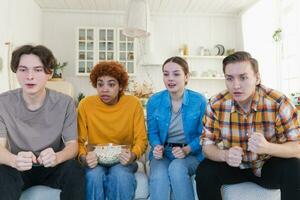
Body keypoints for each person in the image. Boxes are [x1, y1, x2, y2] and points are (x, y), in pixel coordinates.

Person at [195, 51, 300, 200]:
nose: (236, 85)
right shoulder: (216, 103)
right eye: (229, 79)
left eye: (243, 78)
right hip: (233, 167)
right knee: (205, 170)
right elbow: (207, 147)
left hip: (268, 166)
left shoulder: (279, 102)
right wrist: (224, 155)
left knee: (294, 167)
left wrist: (268, 147)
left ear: (257, 78)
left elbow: (297, 146)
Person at [0, 44, 85, 200]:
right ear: (16, 72)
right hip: (18, 166)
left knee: (74, 169)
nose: (30, 76)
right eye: (23, 69)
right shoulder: (3, 102)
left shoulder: (65, 103)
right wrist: (14, 160)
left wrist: (58, 157)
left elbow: (73, 146)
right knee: (2, 172)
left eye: (38, 70)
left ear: (49, 73)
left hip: (52, 167)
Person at [77, 61, 148, 200]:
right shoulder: (85, 105)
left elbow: (141, 139)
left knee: (120, 176)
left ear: (120, 86)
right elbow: (79, 141)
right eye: (100, 84)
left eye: (111, 84)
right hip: (95, 160)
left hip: (123, 160)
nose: (104, 89)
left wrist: (132, 156)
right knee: (93, 176)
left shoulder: (133, 104)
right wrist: (84, 158)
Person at [146, 56, 207, 200]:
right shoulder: (154, 101)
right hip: (164, 154)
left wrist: (187, 149)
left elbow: (205, 134)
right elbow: (152, 132)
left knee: (177, 168)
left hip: (191, 154)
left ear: (186, 77)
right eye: (166, 74)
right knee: (159, 177)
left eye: (176, 74)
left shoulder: (199, 101)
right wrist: (156, 146)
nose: (170, 78)